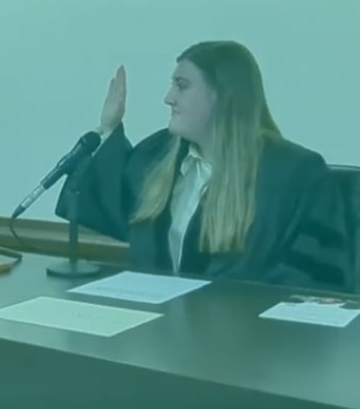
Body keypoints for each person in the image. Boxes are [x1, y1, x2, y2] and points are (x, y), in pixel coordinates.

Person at [58, 41, 351, 290]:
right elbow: (113, 205)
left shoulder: (293, 175)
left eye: (181, 86)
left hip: (252, 345)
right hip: (158, 336)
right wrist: (107, 128)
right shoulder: (159, 156)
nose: (168, 98)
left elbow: (316, 280)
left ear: (223, 96)